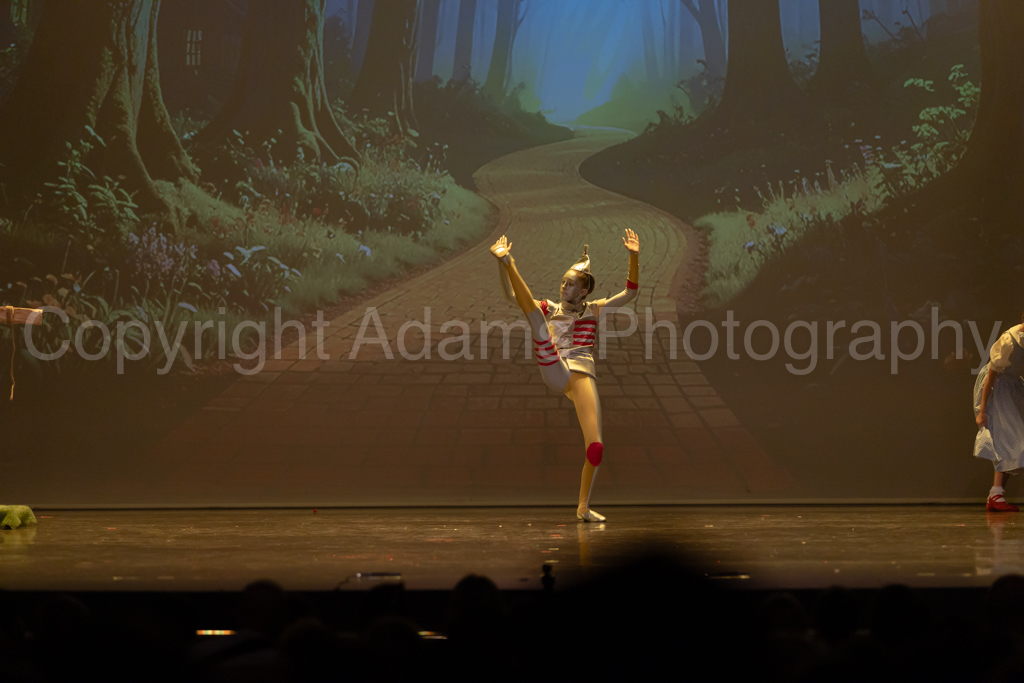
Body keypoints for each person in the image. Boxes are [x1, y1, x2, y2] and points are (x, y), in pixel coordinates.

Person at [489, 229, 640, 521]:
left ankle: (583, 507)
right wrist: (502, 264)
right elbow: (512, 296)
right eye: (562, 282)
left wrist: (633, 257)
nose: (563, 287)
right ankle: (511, 262)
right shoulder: (551, 308)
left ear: (583, 292)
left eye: (569, 285)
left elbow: (630, 293)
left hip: (581, 373)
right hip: (556, 366)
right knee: (537, 320)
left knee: (595, 448)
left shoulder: (594, 310)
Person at [974, 313, 1024, 511]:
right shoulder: (1009, 340)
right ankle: (995, 495)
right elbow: (991, 376)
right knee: (1007, 440)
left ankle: (996, 494)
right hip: (998, 388)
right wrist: (982, 410)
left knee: (1014, 442)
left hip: (1013, 387)